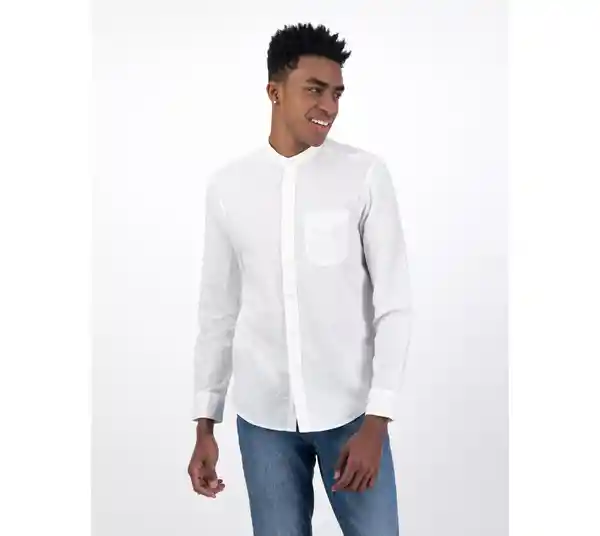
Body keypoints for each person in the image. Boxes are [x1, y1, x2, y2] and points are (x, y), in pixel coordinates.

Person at [187, 22, 412, 536]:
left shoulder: (364, 175)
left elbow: (394, 303)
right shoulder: (228, 187)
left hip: (351, 416)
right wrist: (205, 421)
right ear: (274, 91)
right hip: (263, 420)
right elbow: (218, 310)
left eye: (336, 94)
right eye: (314, 89)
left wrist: (378, 419)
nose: (328, 106)